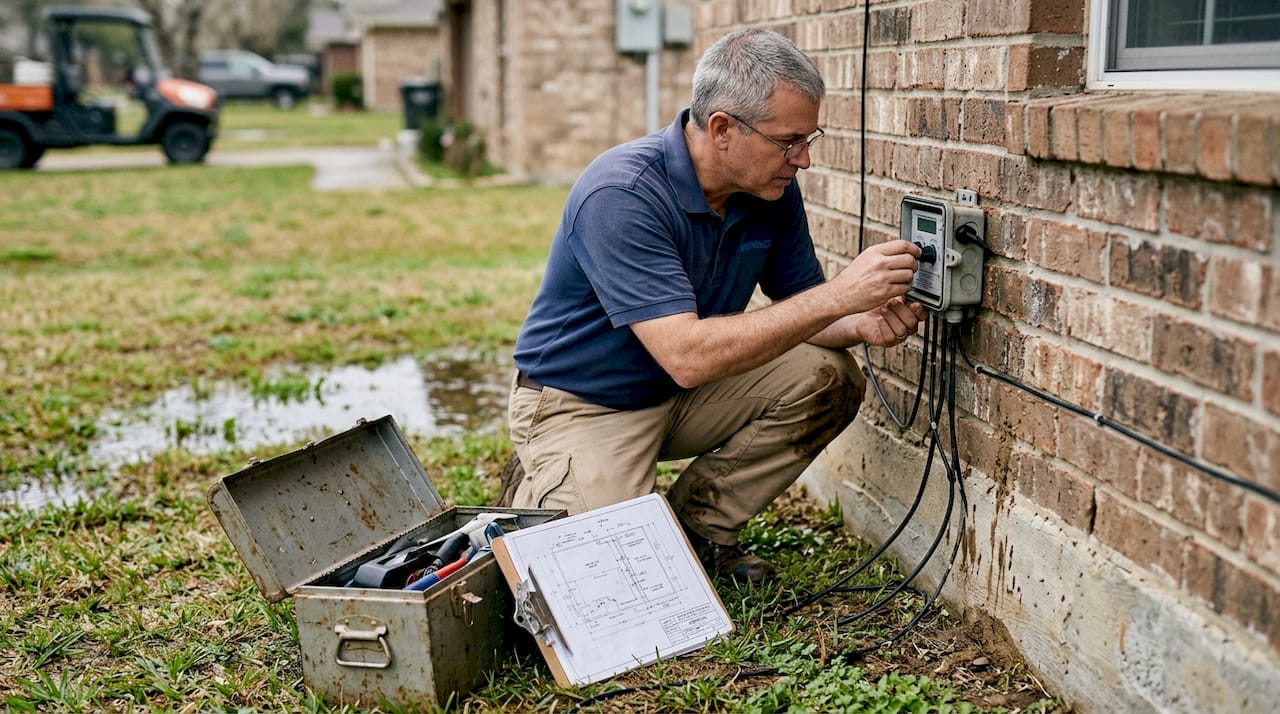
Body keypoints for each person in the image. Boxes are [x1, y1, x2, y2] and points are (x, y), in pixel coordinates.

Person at [504, 28, 925, 584]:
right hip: (587, 402)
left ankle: (698, 531)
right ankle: (550, 474)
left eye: (809, 137)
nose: (804, 159)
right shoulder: (622, 194)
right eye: (789, 140)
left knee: (827, 375)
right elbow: (688, 355)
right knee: (604, 581)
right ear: (723, 128)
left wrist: (857, 320)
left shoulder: (768, 188)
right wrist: (839, 295)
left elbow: (801, 308)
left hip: (682, 393)